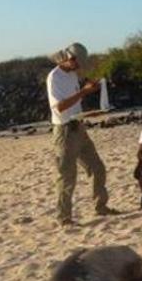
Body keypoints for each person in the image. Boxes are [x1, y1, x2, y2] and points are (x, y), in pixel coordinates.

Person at [46, 42, 118, 226]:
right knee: (67, 176)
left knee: (97, 168)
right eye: (78, 63)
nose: (80, 67)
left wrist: (93, 111)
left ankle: (100, 206)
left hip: (79, 127)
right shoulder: (54, 77)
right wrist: (84, 92)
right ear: (70, 59)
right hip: (65, 132)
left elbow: (74, 105)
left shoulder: (72, 75)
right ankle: (64, 217)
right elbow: (60, 107)